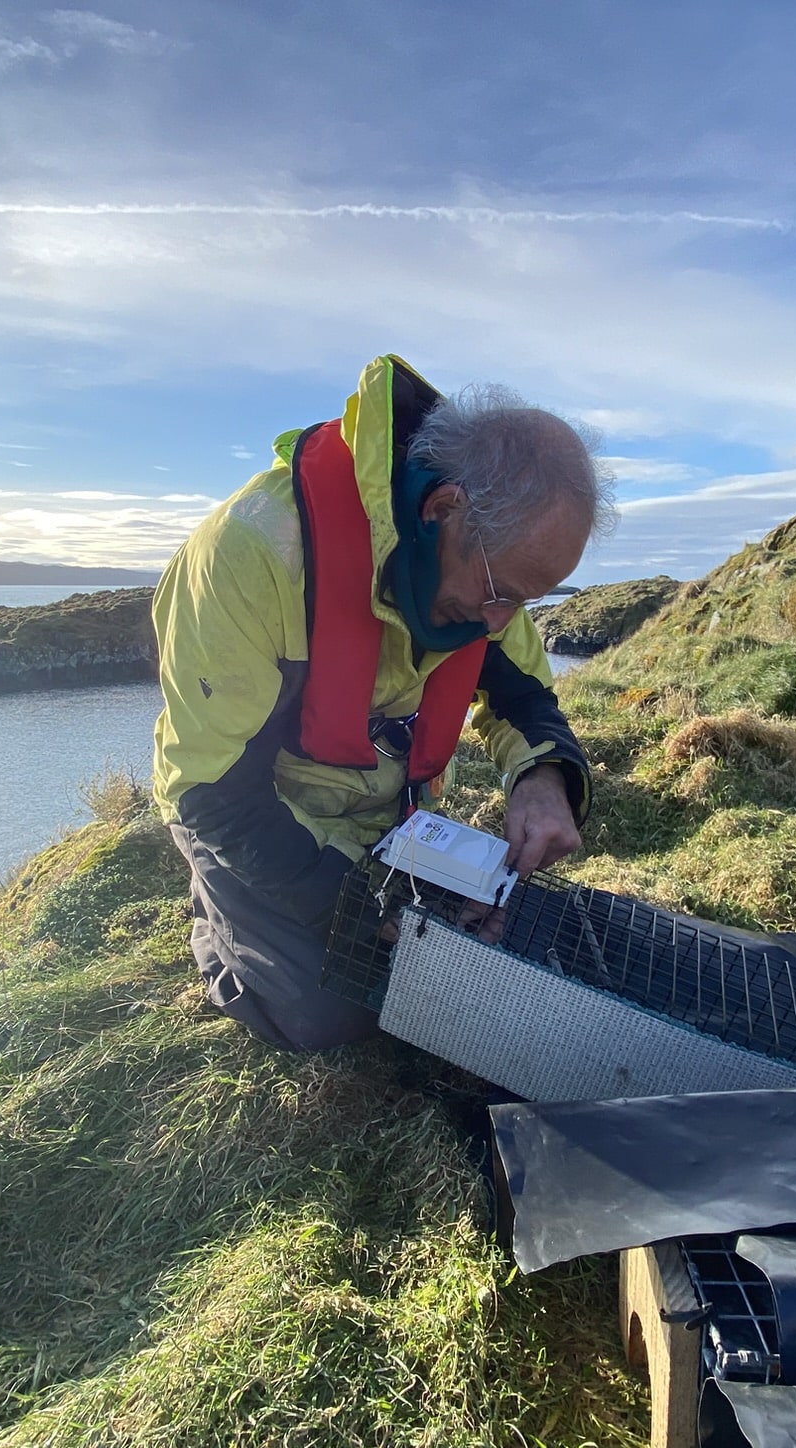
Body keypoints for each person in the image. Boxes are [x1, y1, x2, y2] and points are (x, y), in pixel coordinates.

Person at [150, 354, 614, 1051]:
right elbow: (215, 794)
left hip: (389, 819)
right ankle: (218, 929)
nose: (499, 622)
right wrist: (368, 905)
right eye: (502, 594)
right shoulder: (251, 554)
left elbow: (523, 693)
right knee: (335, 1015)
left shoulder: (483, 563)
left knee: (453, 975)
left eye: (525, 601)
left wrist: (544, 779)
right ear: (442, 508)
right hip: (257, 819)